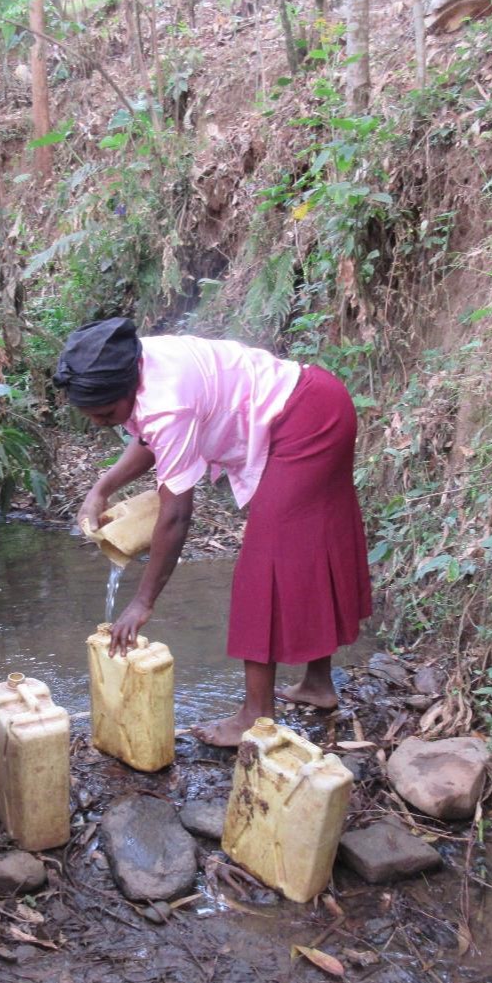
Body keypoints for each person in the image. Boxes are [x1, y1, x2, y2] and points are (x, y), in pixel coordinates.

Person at [54, 317, 371, 747]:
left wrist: (143, 602)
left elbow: (176, 516)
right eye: (92, 415)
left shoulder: (169, 402)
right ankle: (318, 684)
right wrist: (101, 489)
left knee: (263, 569)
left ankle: (255, 715)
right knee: (308, 551)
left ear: (128, 386)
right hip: (316, 404)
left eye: (107, 414)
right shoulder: (135, 361)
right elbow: (149, 437)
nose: (99, 423)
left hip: (309, 422)